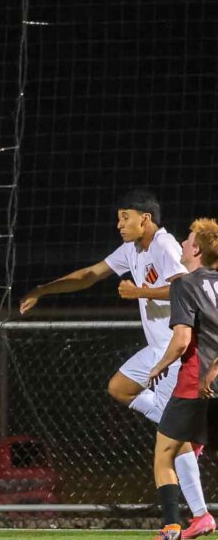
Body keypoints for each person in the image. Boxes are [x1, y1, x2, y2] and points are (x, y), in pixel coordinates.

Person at [20, 189, 210, 531]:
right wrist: (43, 289)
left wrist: (140, 292)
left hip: (174, 351)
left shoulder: (165, 246)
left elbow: (183, 287)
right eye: (118, 219)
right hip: (155, 348)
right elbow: (91, 274)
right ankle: (182, 434)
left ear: (145, 219)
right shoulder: (130, 250)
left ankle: (199, 515)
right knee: (120, 387)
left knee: (170, 442)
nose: (119, 225)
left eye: (125, 218)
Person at [148, 218, 218, 540]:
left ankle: (172, 528)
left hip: (194, 384)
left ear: (197, 249)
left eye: (188, 240)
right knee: (186, 447)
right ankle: (200, 518)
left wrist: (160, 366)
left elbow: (181, 341)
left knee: (165, 452)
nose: (183, 245)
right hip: (214, 380)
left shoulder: (184, 284)